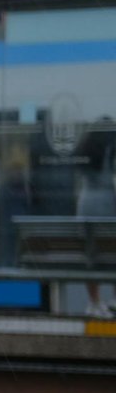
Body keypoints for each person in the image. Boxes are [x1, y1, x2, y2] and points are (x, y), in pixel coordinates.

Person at [74, 119, 116, 317]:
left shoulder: (86, 150)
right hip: (108, 203)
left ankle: (94, 302)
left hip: (86, 203)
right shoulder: (111, 150)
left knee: (91, 255)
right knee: (112, 249)